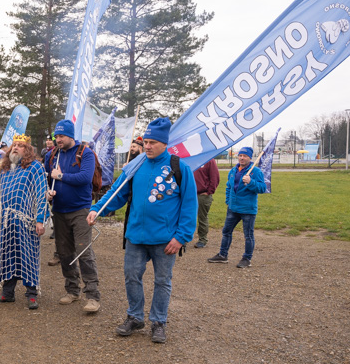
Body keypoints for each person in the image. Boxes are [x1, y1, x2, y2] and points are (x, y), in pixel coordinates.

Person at [87, 117, 198, 343]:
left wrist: (181, 237)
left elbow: (189, 204)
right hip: (136, 236)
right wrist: (97, 209)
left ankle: (158, 321)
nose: (147, 146)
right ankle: (135, 317)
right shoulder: (134, 165)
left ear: (164, 143)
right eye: (145, 141)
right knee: (131, 277)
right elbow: (117, 193)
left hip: (165, 240)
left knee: (162, 281)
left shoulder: (179, 167)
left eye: (152, 142)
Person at [0, 134, 48, 309]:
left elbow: (41, 195)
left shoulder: (35, 168)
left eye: (21, 145)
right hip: (6, 221)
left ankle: (31, 294)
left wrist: (40, 220)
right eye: (14, 145)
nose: (16, 148)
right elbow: (1, 195)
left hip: (26, 221)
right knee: (8, 255)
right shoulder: (5, 170)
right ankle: (7, 293)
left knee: (28, 256)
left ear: (28, 150)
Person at [45, 119, 102, 313]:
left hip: (81, 210)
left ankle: (93, 296)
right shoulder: (52, 155)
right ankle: (72, 290)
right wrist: (47, 192)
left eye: (61, 136)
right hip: (59, 210)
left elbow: (85, 178)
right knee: (64, 252)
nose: (58, 140)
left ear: (71, 136)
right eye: (56, 136)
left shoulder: (85, 153)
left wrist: (61, 177)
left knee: (83, 251)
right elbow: (46, 177)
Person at [207, 147, 266, 268]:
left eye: (245, 156)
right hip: (233, 208)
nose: (242, 158)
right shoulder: (233, 171)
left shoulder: (256, 172)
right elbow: (229, 186)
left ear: (250, 158)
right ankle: (223, 255)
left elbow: (262, 188)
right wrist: (228, 201)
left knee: (248, 235)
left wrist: (251, 182)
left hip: (248, 209)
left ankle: (246, 259)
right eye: (240, 155)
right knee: (226, 232)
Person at [193, 158, 220, 249]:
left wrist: (209, 192)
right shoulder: (190, 157)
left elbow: (215, 177)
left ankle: (202, 239)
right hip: (189, 194)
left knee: (202, 218)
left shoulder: (209, 159)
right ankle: (184, 238)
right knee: (186, 217)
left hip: (202, 195)